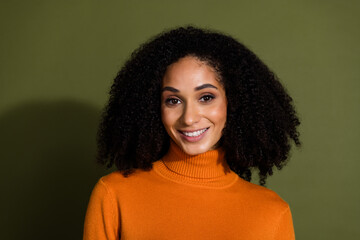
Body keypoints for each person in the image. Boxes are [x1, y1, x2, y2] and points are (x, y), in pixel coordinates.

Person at [83, 26, 301, 240]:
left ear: (234, 102)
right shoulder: (114, 195)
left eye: (206, 97)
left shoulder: (272, 213)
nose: (188, 118)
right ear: (154, 107)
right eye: (173, 100)